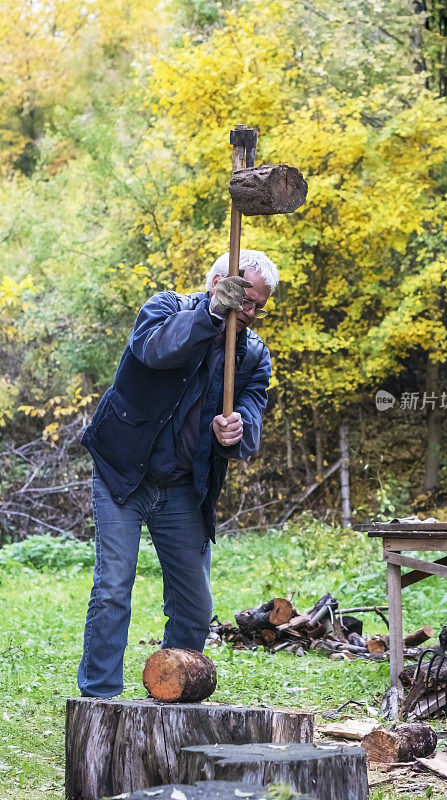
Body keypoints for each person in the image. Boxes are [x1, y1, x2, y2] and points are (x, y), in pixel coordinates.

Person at [77, 249, 278, 698]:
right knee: (113, 584)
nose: (247, 312)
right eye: (241, 298)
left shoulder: (250, 356)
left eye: (256, 306)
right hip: (123, 472)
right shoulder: (164, 309)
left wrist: (236, 429)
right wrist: (210, 314)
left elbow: (249, 416)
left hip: (184, 486)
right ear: (215, 284)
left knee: (194, 605)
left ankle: (173, 699)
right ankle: (99, 698)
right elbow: (155, 350)